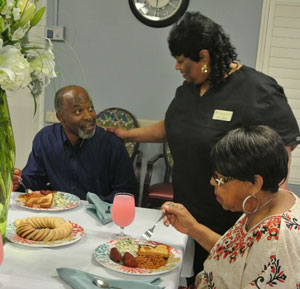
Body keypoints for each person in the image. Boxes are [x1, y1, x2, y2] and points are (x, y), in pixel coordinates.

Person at [106, 11, 300, 281]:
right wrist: (129, 135)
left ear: (205, 57)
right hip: (190, 206)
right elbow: (171, 126)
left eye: (182, 61)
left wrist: (267, 211)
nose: (177, 68)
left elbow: (283, 148)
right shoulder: (187, 91)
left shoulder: (258, 90)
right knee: (196, 275)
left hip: (232, 216)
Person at [162, 125, 300, 289]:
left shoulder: (276, 239)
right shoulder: (266, 200)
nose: (212, 182)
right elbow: (236, 256)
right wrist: (192, 228)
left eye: (221, 179)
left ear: (255, 183)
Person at [12, 85, 138, 202]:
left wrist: (96, 207)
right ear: (60, 117)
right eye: (78, 111)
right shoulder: (46, 139)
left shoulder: (111, 145)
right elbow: (34, 181)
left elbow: (126, 192)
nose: (89, 116)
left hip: (101, 219)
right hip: (57, 216)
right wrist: (18, 182)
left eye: (90, 108)